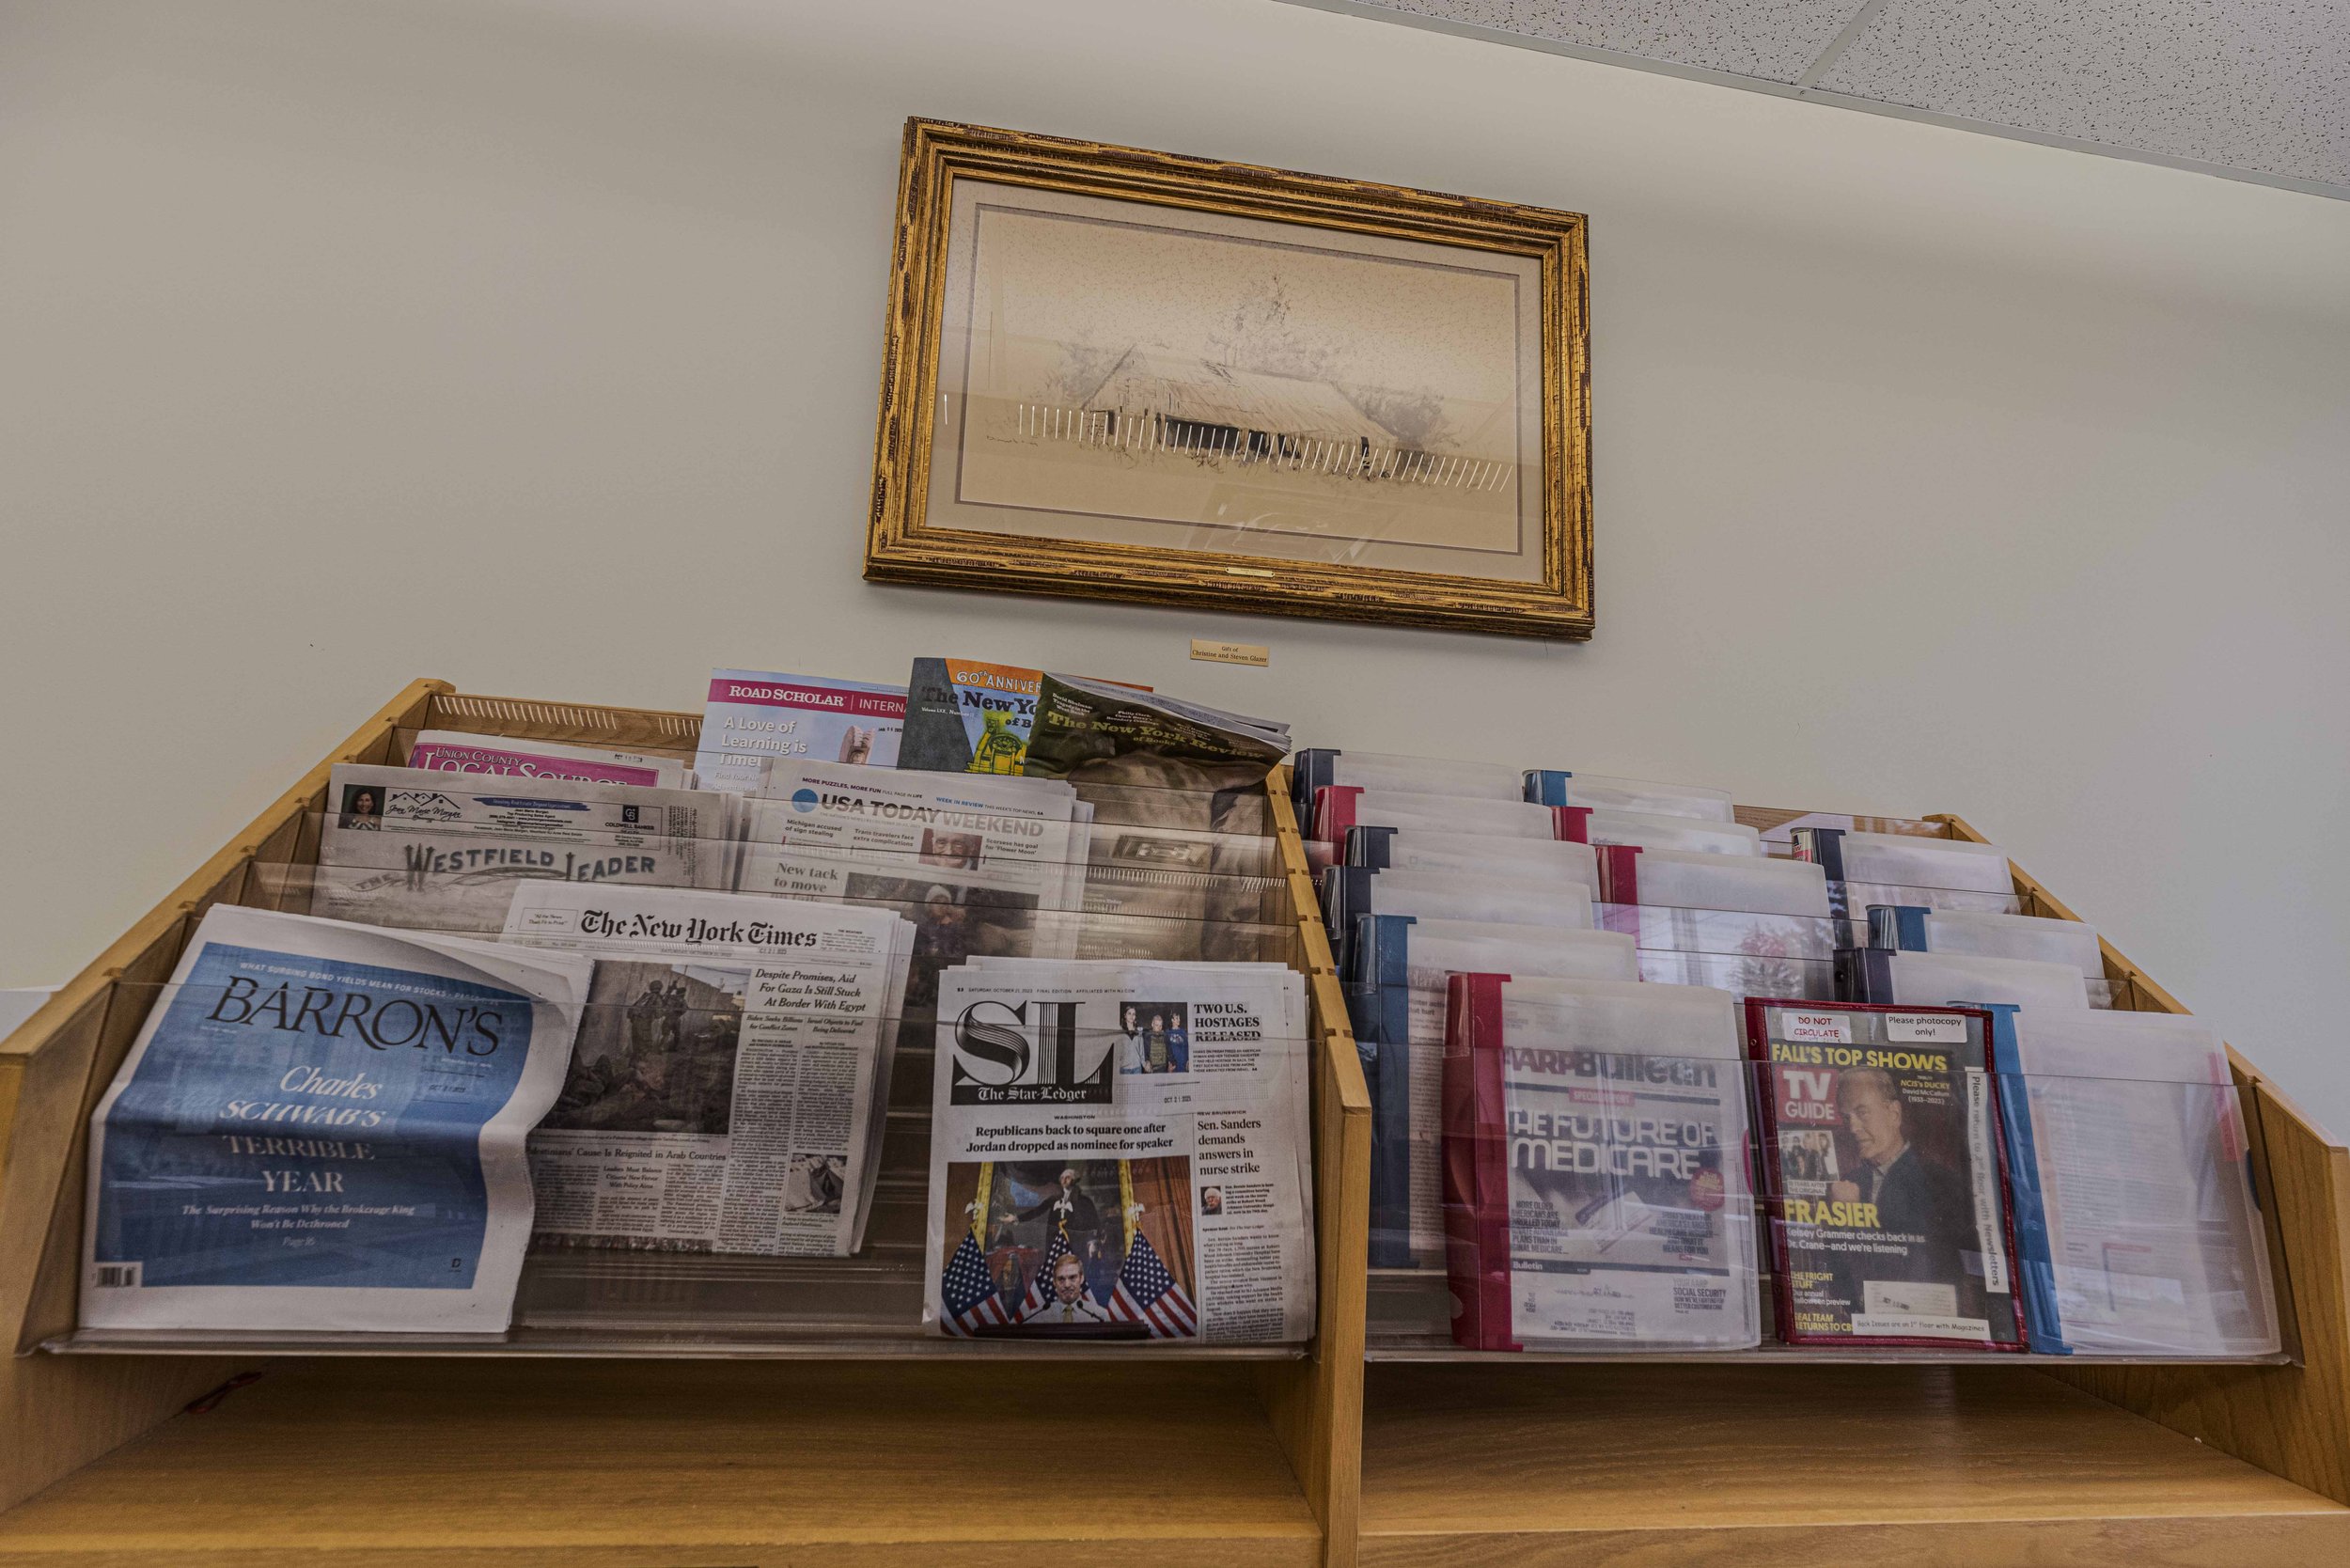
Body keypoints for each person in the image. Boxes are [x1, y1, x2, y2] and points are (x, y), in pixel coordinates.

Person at [1829, 1067, 1979, 1308]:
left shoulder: (1940, 1182)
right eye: (1846, 1117)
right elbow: (1835, 1275)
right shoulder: (1847, 1183)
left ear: (1894, 1114)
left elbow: (1921, 1268)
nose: (1852, 1127)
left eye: (1862, 1113)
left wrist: (1850, 1218)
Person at [1037, 1252, 1109, 1325]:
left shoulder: (1100, 1316)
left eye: (1072, 1278)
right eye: (1061, 1279)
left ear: (1082, 1279)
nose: (1067, 1285)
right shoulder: (1038, 1317)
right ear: (1054, 1282)